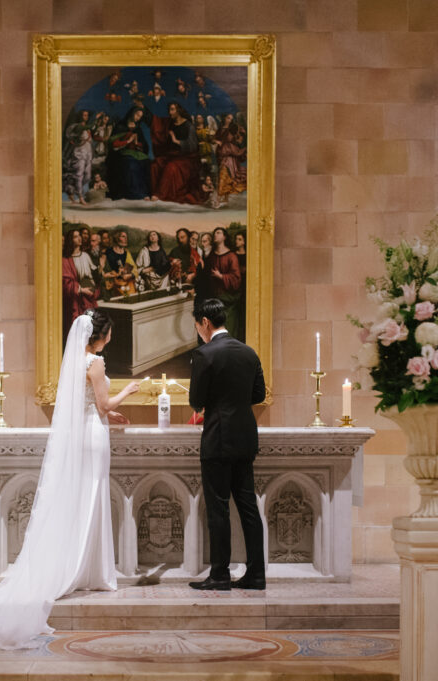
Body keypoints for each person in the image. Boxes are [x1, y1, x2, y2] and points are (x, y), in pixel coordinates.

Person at [0, 310, 142, 649]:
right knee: (92, 498)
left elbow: (87, 404)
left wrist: (107, 410)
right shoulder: (96, 362)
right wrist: (127, 391)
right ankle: (91, 572)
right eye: (111, 331)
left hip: (83, 433)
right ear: (103, 334)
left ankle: (83, 570)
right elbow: (100, 405)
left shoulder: (78, 361)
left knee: (84, 498)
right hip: (93, 437)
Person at [188, 298, 266, 592]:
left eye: (198, 326)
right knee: (248, 507)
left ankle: (220, 574)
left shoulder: (205, 354)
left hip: (218, 437)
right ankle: (256, 575)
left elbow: (197, 400)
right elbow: (257, 394)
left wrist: (215, 404)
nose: (199, 332)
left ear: (205, 323)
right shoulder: (249, 352)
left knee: (218, 509)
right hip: (246, 437)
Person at [203, 227, 242, 340]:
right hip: (214, 298)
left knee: (228, 328)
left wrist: (221, 276)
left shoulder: (231, 256)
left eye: (218, 233)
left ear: (224, 237)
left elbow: (236, 278)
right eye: (214, 233)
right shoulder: (212, 256)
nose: (215, 235)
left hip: (228, 299)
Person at [62, 229, 98, 338]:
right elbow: (65, 283)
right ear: (70, 240)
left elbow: (93, 276)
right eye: (75, 236)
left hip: (89, 298)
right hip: (75, 301)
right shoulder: (65, 260)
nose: (79, 238)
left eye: (79, 236)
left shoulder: (86, 256)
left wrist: (92, 288)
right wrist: (81, 290)